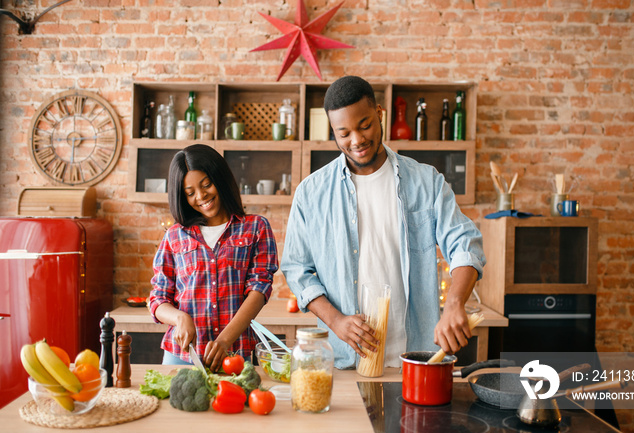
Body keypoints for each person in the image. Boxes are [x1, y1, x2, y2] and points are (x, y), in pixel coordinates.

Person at [281, 76, 486, 369]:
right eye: (344, 133)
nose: (357, 140)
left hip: (414, 359)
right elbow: (297, 269)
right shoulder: (311, 193)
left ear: (379, 114)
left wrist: (455, 303)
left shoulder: (426, 182)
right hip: (344, 362)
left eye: (364, 125)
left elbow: (465, 242)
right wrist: (336, 320)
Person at [149, 144, 278, 372]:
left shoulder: (255, 228)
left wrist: (224, 340)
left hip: (234, 353)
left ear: (220, 178)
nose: (201, 196)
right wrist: (179, 318)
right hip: (182, 355)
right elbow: (158, 299)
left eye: (206, 184)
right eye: (190, 193)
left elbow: (259, 290)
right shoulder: (174, 236)